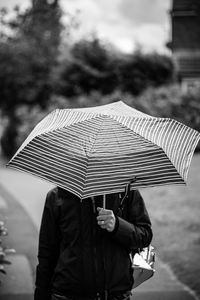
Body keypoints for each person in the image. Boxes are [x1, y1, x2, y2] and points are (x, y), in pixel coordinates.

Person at [34, 186, 153, 300]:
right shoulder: (57, 196)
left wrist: (117, 225)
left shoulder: (126, 193)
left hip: (115, 295)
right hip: (67, 294)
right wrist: (41, 295)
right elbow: (46, 254)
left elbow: (144, 236)